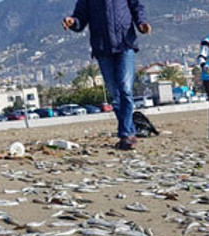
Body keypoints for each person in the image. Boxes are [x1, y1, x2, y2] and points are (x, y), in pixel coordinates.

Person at [62, 0, 151, 150]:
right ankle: (129, 133)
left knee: (125, 89)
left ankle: (125, 134)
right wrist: (72, 22)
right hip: (102, 47)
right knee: (115, 95)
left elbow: (137, 7)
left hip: (125, 44)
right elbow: (80, 18)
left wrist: (141, 23)